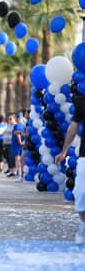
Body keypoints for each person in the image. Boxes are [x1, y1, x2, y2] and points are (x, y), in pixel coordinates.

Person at [55, 94, 85, 245]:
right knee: (80, 193)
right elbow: (74, 124)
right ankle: (84, 224)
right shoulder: (82, 98)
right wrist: (64, 150)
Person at [9, 112, 25, 182]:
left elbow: (17, 134)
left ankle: (20, 174)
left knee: (18, 160)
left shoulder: (16, 126)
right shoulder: (24, 125)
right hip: (22, 145)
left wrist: (20, 142)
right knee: (22, 160)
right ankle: (22, 174)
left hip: (16, 144)